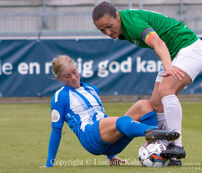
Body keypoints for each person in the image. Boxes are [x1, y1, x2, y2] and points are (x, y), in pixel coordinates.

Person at [92, 1, 202, 165]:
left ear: (117, 15)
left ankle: (176, 145)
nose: (108, 32)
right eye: (102, 30)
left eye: (109, 26)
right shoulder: (121, 28)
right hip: (176, 53)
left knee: (166, 90)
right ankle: (172, 155)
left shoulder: (131, 23)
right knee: (156, 103)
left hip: (191, 49)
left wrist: (168, 67)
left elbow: (158, 42)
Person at [42, 55, 180, 167]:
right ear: (59, 78)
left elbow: (103, 116)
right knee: (123, 121)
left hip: (108, 141)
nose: (73, 77)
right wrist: (49, 164)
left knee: (143, 105)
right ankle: (155, 132)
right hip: (90, 136)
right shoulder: (59, 97)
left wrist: (111, 155)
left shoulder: (92, 89)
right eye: (67, 76)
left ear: (77, 68)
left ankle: (161, 148)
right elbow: (56, 130)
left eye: (74, 72)